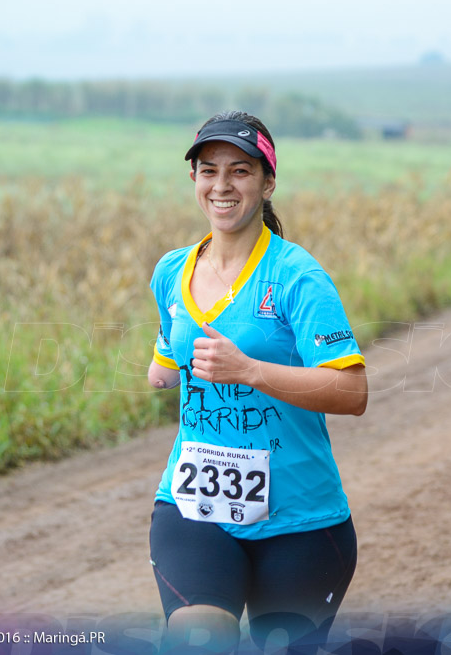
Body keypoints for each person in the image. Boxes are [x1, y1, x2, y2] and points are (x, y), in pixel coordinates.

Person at [146, 111, 368, 653]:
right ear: (195, 179)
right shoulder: (172, 270)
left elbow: (352, 392)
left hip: (302, 521)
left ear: (267, 182)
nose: (221, 185)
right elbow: (166, 360)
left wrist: (248, 370)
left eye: (240, 171)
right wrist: (163, 371)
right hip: (193, 506)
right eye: (208, 170)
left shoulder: (299, 277)